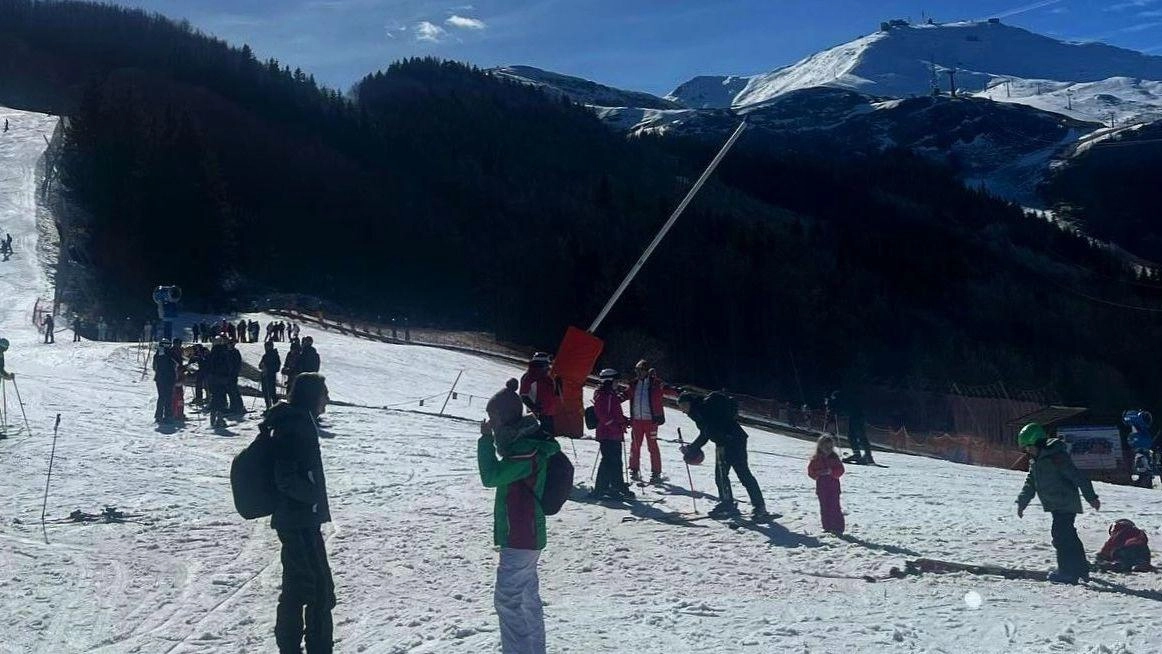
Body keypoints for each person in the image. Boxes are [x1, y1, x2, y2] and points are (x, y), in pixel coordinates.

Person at [478, 389, 560, 654]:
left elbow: (491, 477)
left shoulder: (524, 451)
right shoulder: (522, 445)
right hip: (524, 536)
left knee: (508, 601)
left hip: (522, 536)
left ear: (503, 417)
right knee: (526, 599)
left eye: (493, 418)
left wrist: (485, 440)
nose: (491, 423)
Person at [262, 373, 335, 653]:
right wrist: (312, 496)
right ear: (311, 395)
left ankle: (291, 647)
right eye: (323, 393)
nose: (327, 399)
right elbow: (286, 477)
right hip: (298, 519)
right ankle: (314, 647)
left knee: (298, 585)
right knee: (317, 588)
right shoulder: (294, 425)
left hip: (298, 519)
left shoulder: (294, 420)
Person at [1015, 422, 1101, 585]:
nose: (1027, 452)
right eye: (1025, 449)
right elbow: (1030, 483)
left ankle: (1067, 572)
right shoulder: (1036, 461)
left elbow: (1077, 477)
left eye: (1028, 447)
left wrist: (1091, 497)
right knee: (1069, 535)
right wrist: (1022, 502)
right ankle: (1081, 568)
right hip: (1056, 504)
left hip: (1065, 502)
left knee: (1060, 535)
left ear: (1038, 443)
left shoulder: (1056, 457)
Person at [678, 391, 771, 521]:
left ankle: (759, 506)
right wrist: (692, 448)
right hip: (723, 442)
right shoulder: (697, 413)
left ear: (689, 403)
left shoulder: (703, 409)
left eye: (683, 406)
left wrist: (692, 448)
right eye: (680, 407)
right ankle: (727, 504)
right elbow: (706, 433)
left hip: (734, 440)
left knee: (743, 473)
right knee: (721, 476)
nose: (682, 410)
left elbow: (707, 432)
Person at [590, 369, 634, 500]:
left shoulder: (610, 394)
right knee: (609, 462)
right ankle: (604, 488)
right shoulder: (604, 395)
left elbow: (614, 412)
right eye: (616, 381)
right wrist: (615, 425)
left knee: (614, 462)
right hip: (608, 433)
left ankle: (613, 486)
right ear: (609, 381)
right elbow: (603, 414)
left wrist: (624, 421)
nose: (618, 383)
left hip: (613, 433)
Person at [627, 360, 666, 483]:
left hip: (651, 422)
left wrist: (681, 392)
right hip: (637, 421)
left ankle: (656, 472)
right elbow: (626, 394)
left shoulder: (655, 384)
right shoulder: (633, 384)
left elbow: (667, 389)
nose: (637, 373)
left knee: (652, 446)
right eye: (636, 370)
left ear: (646, 371)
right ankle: (633, 469)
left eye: (640, 370)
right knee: (635, 446)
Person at [807, 435, 845, 534]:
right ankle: (827, 526)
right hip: (821, 487)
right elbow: (811, 472)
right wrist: (818, 473)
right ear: (820, 447)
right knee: (824, 507)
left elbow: (841, 470)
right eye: (825, 447)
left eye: (830, 448)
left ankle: (838, 527)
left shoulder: (834, 458)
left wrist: (831, 472)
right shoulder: (816, 459)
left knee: (835, 506)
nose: (828, 450)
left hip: (833, 487)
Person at [519, 352, 560, 438]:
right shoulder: (529, 377)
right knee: (538, 438)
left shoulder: (548, 378)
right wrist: (534, 407)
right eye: (547, 365)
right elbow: (523, 395)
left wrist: (559, 386)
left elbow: (553, 395)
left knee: (548, 438)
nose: (548, 367)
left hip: (549, 413)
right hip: (537, 414)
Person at [205, 337, 232, 427]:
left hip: (212, 379)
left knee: (214, 397)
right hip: (221, 378)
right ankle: (220, 419)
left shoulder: (212, 353)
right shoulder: (224, 353)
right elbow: (227, 366)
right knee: (221, 398)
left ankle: (212, 419)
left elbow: (208, 365)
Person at [153, 340, 177, 423]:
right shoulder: (170, 354)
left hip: (159, 378)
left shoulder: (157, 354)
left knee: (161, 397)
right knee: (168, 397)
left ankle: (158, 416)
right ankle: (168, 415)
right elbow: (177, 363)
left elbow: (154, 367)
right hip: (169, 378)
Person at [261, 340, 282, 409]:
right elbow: (261, 364)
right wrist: (262, 366)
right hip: (264, 376)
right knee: (265, 393)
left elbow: (277, 367)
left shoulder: (275, 355)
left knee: (272, 393)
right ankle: (268, 407)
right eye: (265, 346)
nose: (266, 348)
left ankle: (275, 408)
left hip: (271, 376)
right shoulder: (265, 355)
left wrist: (268, 369)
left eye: (267, 346)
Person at [226, 338, 245, 415]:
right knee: (230, 391)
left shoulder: (235, 352)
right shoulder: (227, 352)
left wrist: (235, 372)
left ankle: (240, 406)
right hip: (227, 375)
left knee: (235, 390)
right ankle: (233, 406)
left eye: (230, 344)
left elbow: (237, 364)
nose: (228, 345)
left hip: (233, 374)